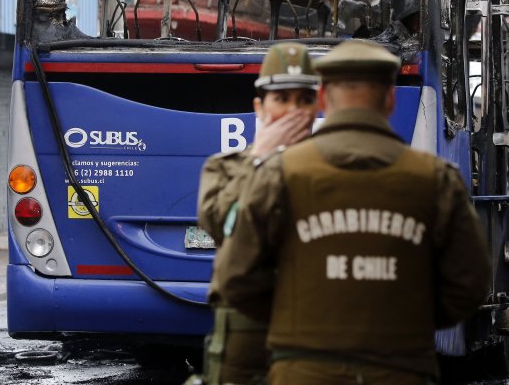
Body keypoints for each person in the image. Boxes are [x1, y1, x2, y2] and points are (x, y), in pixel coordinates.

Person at [215, 39, 492, 384]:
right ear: (390, 100)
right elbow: (471, 285)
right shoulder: (436, 180)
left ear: (321, 99)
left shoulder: (278, 174)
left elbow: (234, 279)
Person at [197, 42, 319, 385]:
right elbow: (221, 224)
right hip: (244, 328)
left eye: (304, 100)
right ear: (259, 107)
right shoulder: (225, 168)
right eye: (281, 100)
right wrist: (260, 159)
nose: (293, 111)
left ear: (317, 107)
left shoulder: (331, 170)